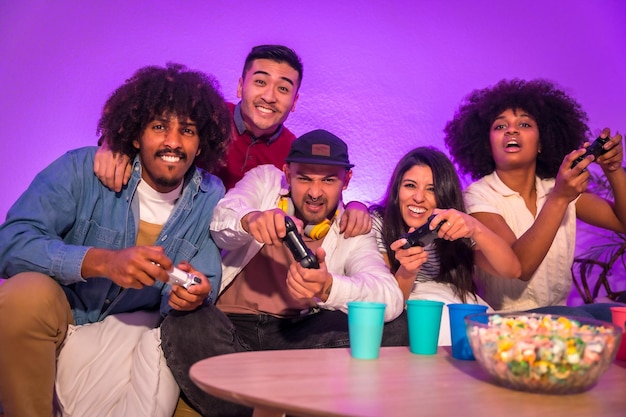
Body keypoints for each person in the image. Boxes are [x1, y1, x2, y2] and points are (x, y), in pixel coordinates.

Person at [0, 63, 232, 417]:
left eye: (187, 131)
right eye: (159, 127)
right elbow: (11, 242)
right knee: (23, 295)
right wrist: (103, 262)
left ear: (201, 144)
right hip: (67, 311)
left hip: (135, 330)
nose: (173, 141)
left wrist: (191, 292)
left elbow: (204, 275)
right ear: (136, 136)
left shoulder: (210, 196)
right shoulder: (82, 169)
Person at [160, 129, 407, 417]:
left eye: (328, 180)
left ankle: (271, 400)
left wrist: (329, 288)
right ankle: (268, 409)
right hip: (230, 329)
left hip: (295, 341)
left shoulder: (351, 227)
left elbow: (388, 296)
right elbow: (221, 219)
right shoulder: (265, 180)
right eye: (304, 178)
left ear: (347, 181)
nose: (315, 193)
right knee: (183, 321)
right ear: (287, 173)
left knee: (395, 326)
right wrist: (251, 220)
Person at [94, 44, 371, 238]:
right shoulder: (204, 114)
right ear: (241, 86)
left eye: (283, 88)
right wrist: (112, 145)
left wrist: (357, 207)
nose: (270, 96)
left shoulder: (294, 153)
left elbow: (324, 200)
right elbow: (148, 125)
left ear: (295, 101)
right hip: (164, 227)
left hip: (232, 258)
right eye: (260, 82)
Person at [443, 78, 626, 317]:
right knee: (586, 321)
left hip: (560, 314)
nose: (512, 129)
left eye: (525, 124)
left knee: (616, 313)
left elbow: (622, 223)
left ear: (541, 143)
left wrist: (613, 170)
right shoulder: (477, 197)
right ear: (487, 146)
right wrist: (559, 198)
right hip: (504, 320)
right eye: (500, 126)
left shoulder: (556, 187)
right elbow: (520, 266)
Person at [369, 146, 521, 344]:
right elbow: (386, 301)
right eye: (410, 185)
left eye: (431, 189)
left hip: (456, 304)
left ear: (444, 194)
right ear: (397, 189)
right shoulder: (380, 223)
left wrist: (476, 228)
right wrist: (408, 270)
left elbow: (512, 270)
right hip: (411, 310)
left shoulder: (454, 225)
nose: (419, 197)